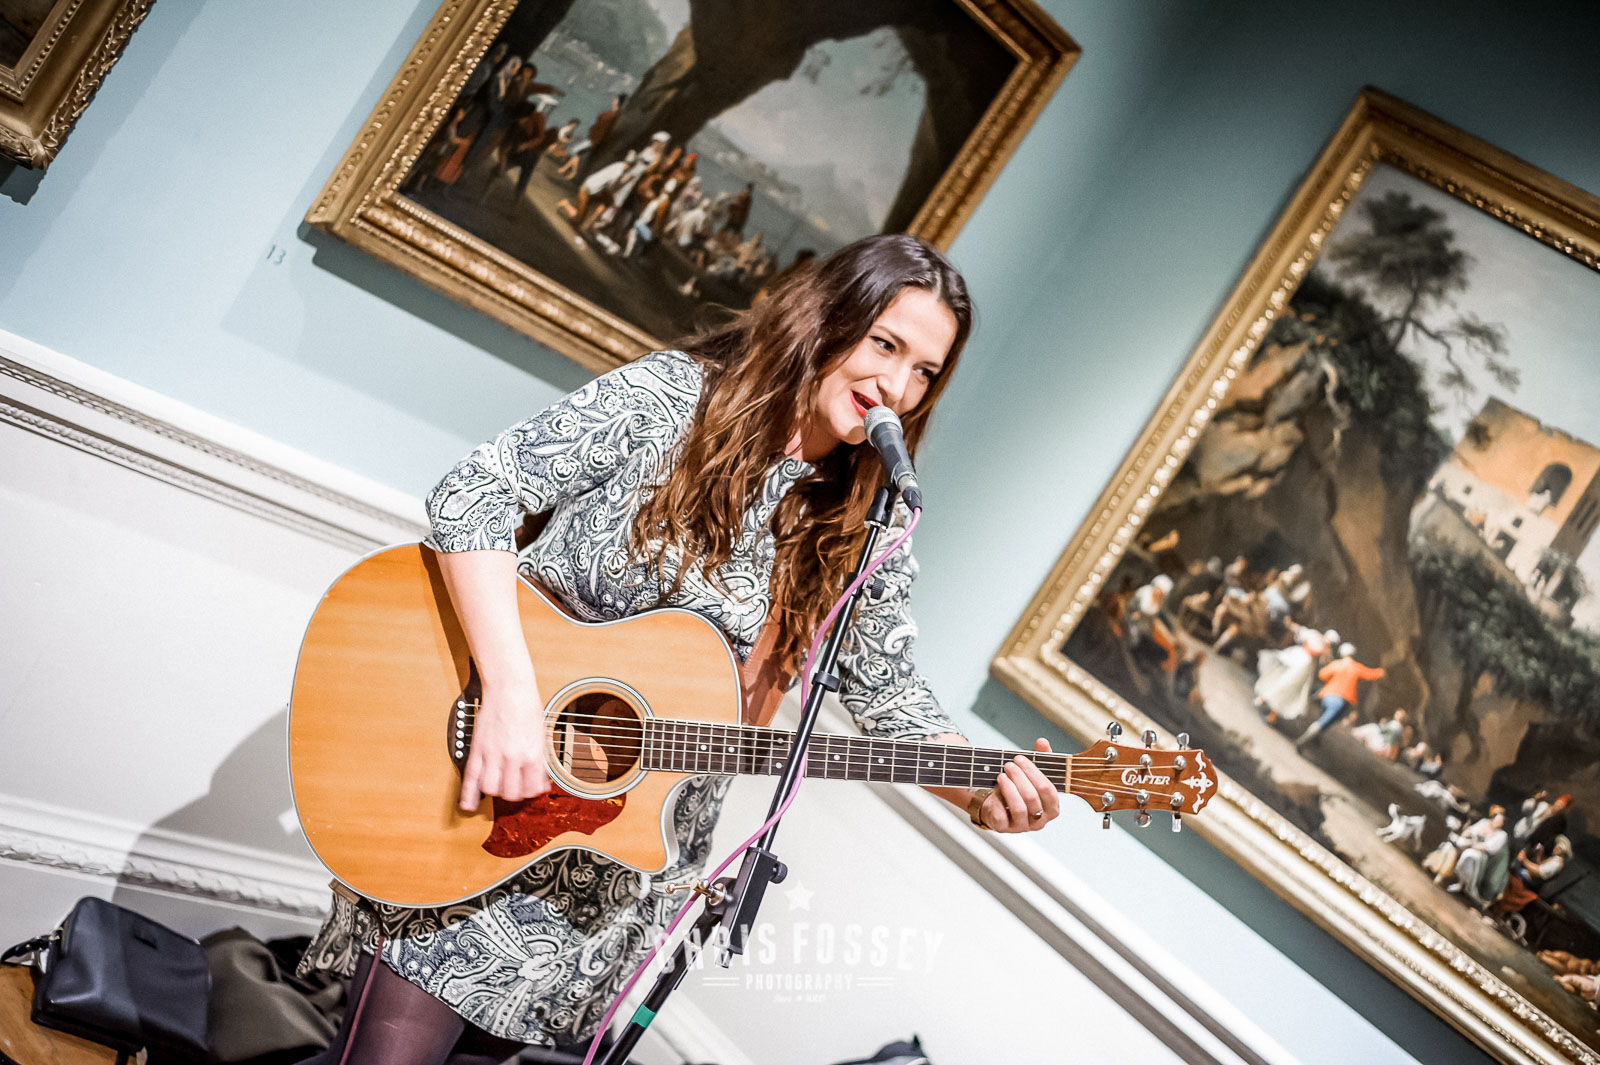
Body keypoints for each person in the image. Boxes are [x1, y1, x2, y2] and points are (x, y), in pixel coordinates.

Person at [293, 235, 1062, 1062]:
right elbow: (472, 496)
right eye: (886, 344)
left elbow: (892, 696)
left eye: (924, 373)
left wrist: (984, 793)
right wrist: (513, 696)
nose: (897, 387)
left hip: (613, 868)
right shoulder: (669, 401)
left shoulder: (861, 524)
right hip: (479, 797)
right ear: (826, 320)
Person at [1295, 642, 1384, 748]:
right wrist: (1382, 671)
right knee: (1325, 721)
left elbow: (1322, 674)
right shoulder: (1355, 667)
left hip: (1327, 695)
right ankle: (1302, 742)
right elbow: (1370, 674)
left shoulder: (1337, 664)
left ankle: (1314, 737)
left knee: (1325, 719)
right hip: (1340, 700)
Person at [1253, 624, 1334, 724]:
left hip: (1302, 665)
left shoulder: (1324, 647)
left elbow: (1323, 660)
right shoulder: (1315, 636)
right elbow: (1300, 631)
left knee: (1289, 690)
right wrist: (1290, 624)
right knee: (1280, 680)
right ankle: (1263, 700)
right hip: (1298, 660)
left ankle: (1271, 714)